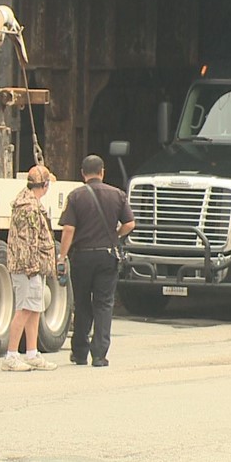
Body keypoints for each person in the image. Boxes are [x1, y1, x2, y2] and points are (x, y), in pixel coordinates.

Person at [57, 154, 135, 367]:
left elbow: (69, 229)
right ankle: (99, 354)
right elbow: (129, 224)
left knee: (82, 303)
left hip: (82, 256)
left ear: (83, 173)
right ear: (102, 172)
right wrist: (115, 235)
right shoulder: (117, 195)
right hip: (107, 255)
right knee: (104, 304)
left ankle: (80, 352)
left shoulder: (76, 196)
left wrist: (62, 256)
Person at [2, 164, 59, 372]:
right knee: (25, 309)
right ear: (43, 185)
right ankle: (11, 355)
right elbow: (29, 241)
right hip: (29, 268)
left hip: (31, 267)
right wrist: (33, 268)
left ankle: (32, 352)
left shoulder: (27, 203)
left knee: (34, 309)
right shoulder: (30, 207)